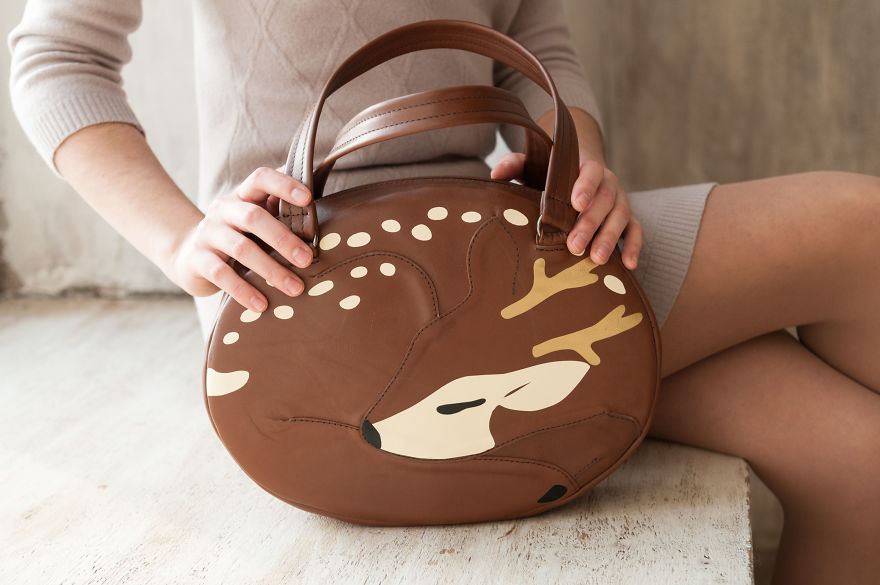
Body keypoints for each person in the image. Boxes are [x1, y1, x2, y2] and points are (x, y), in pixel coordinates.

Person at [8, 1, 880, 583]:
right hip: (316, 291)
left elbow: (531, 40)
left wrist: (573, 163)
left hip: (487, 250)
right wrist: (180, 240)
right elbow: (58, 56)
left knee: (855, 461)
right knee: (862, 228)